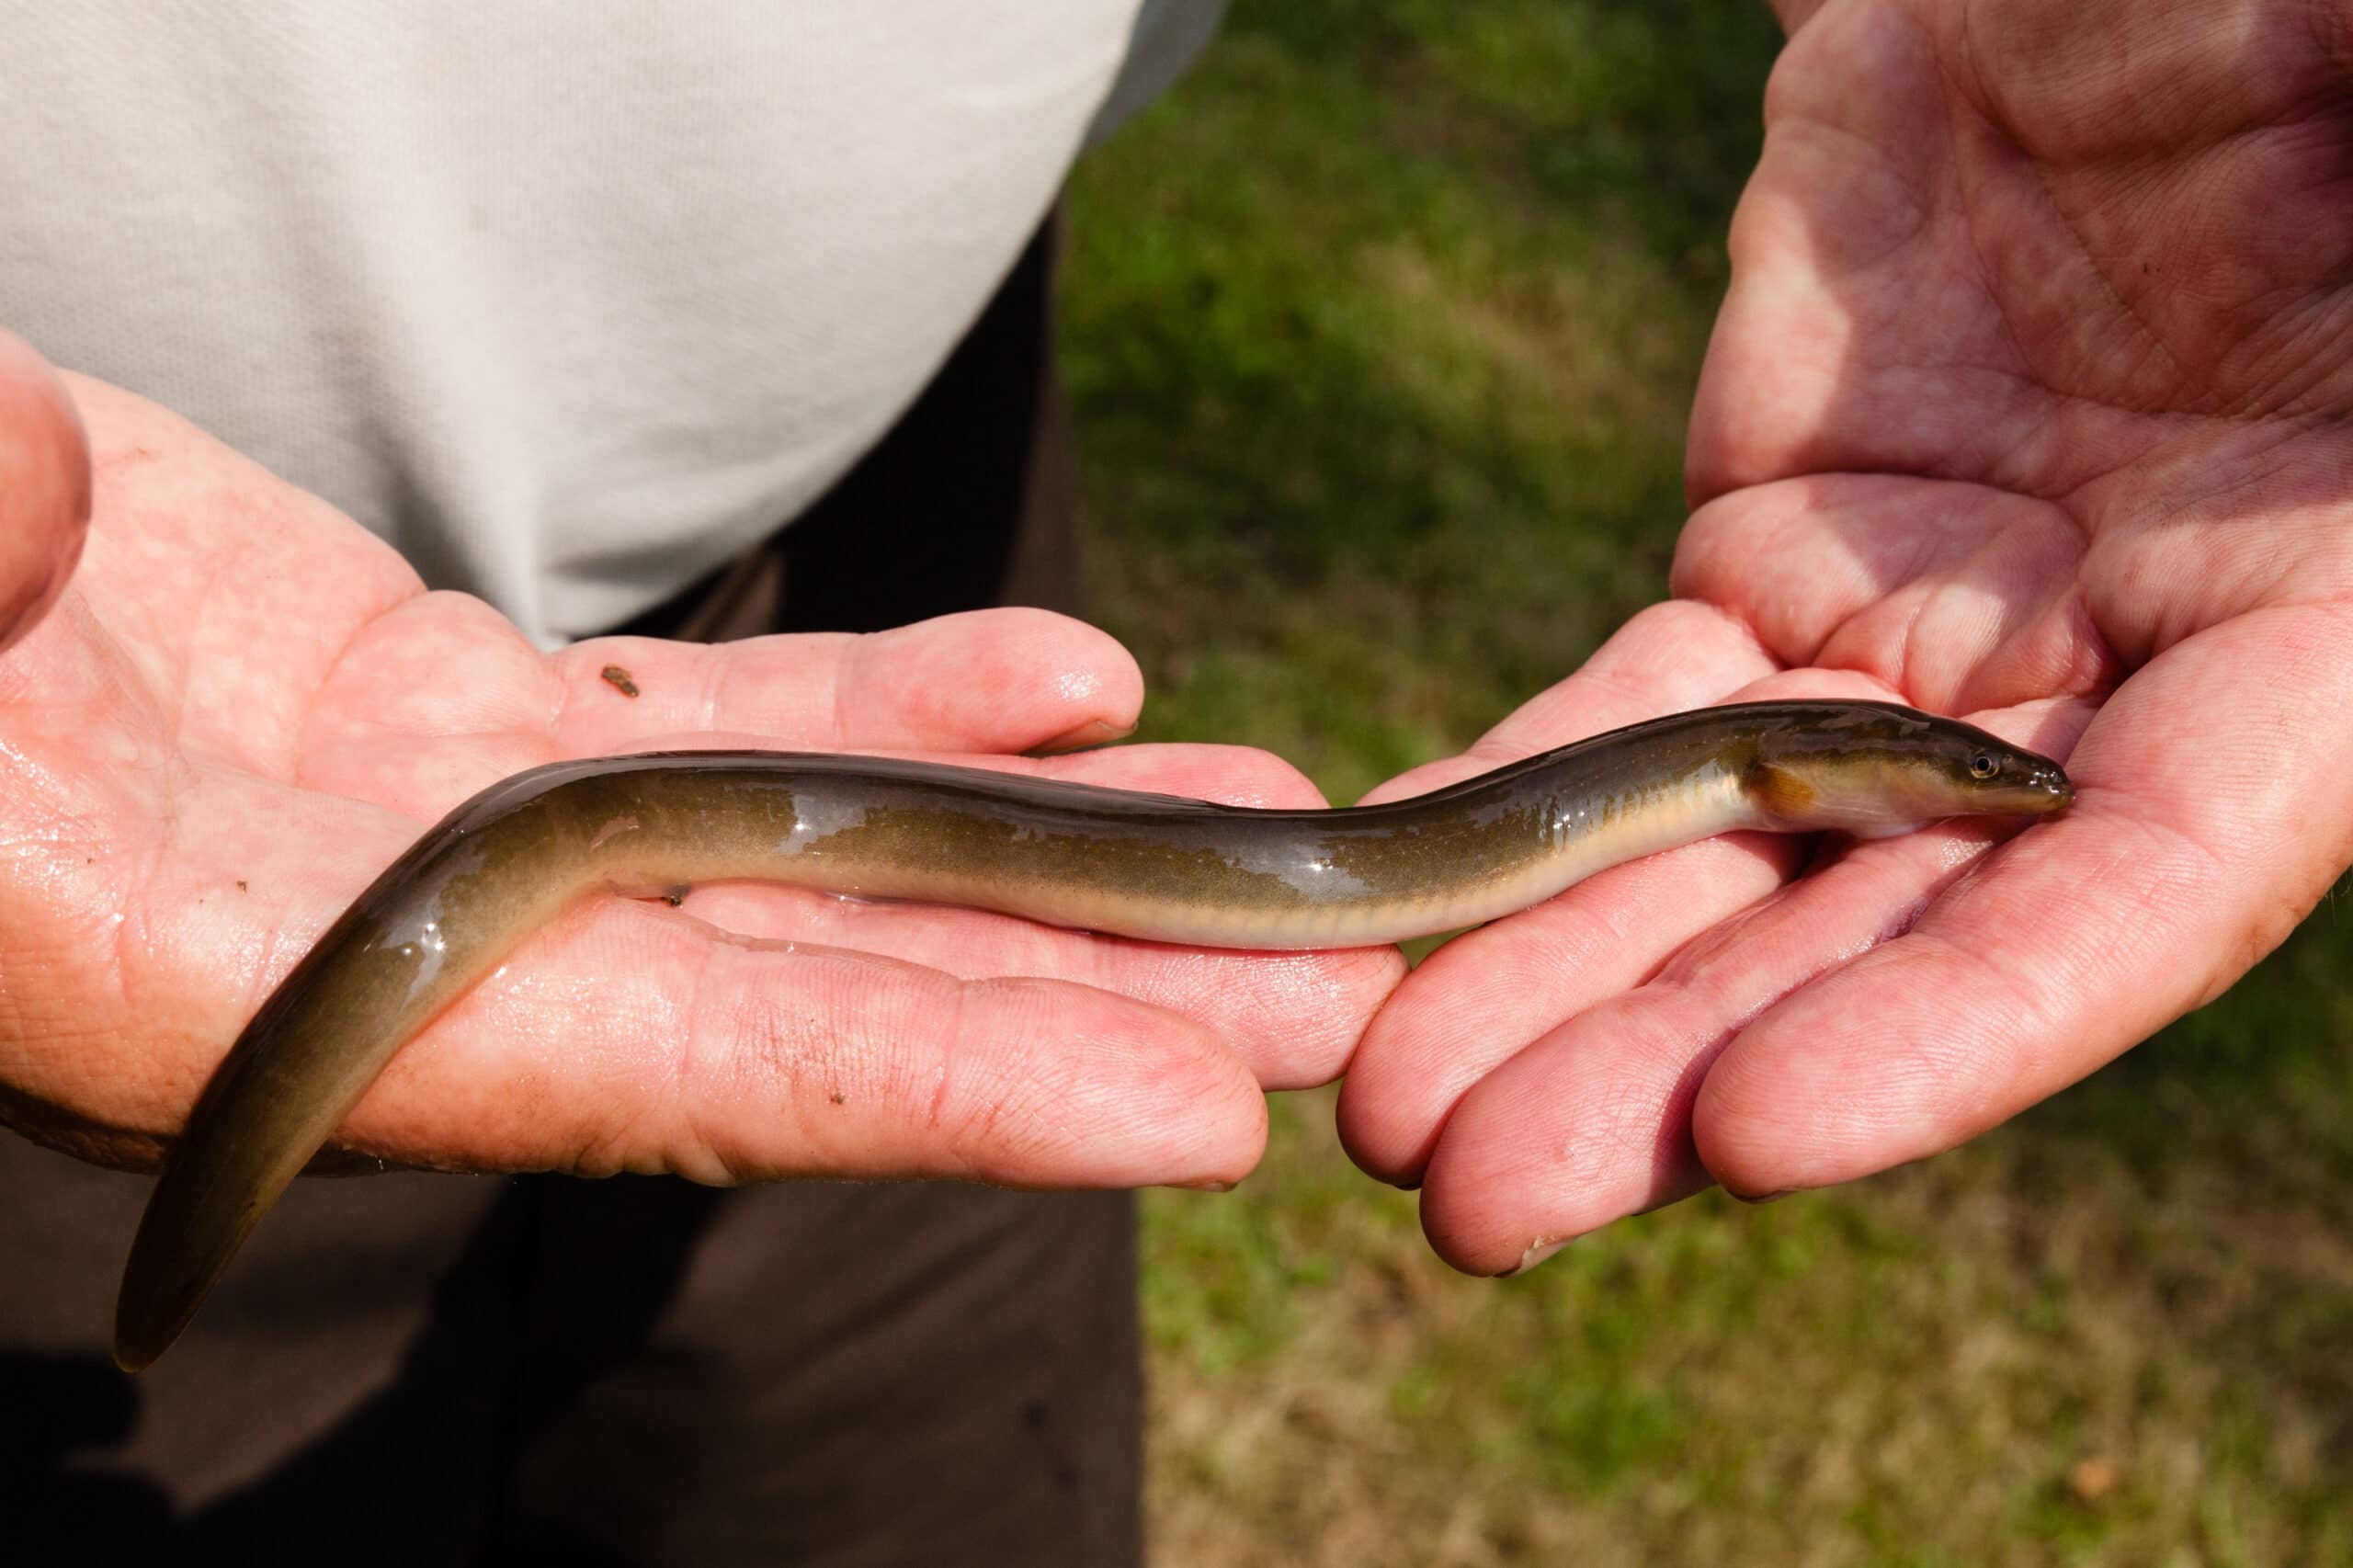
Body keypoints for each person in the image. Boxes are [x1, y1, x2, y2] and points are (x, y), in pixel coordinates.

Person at [0, 0, 2345, 1560]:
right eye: (1926, 765)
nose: (1950, 781)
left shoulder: (1745, 758)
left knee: (893, 1459)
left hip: (879, 499)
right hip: (108, 629)